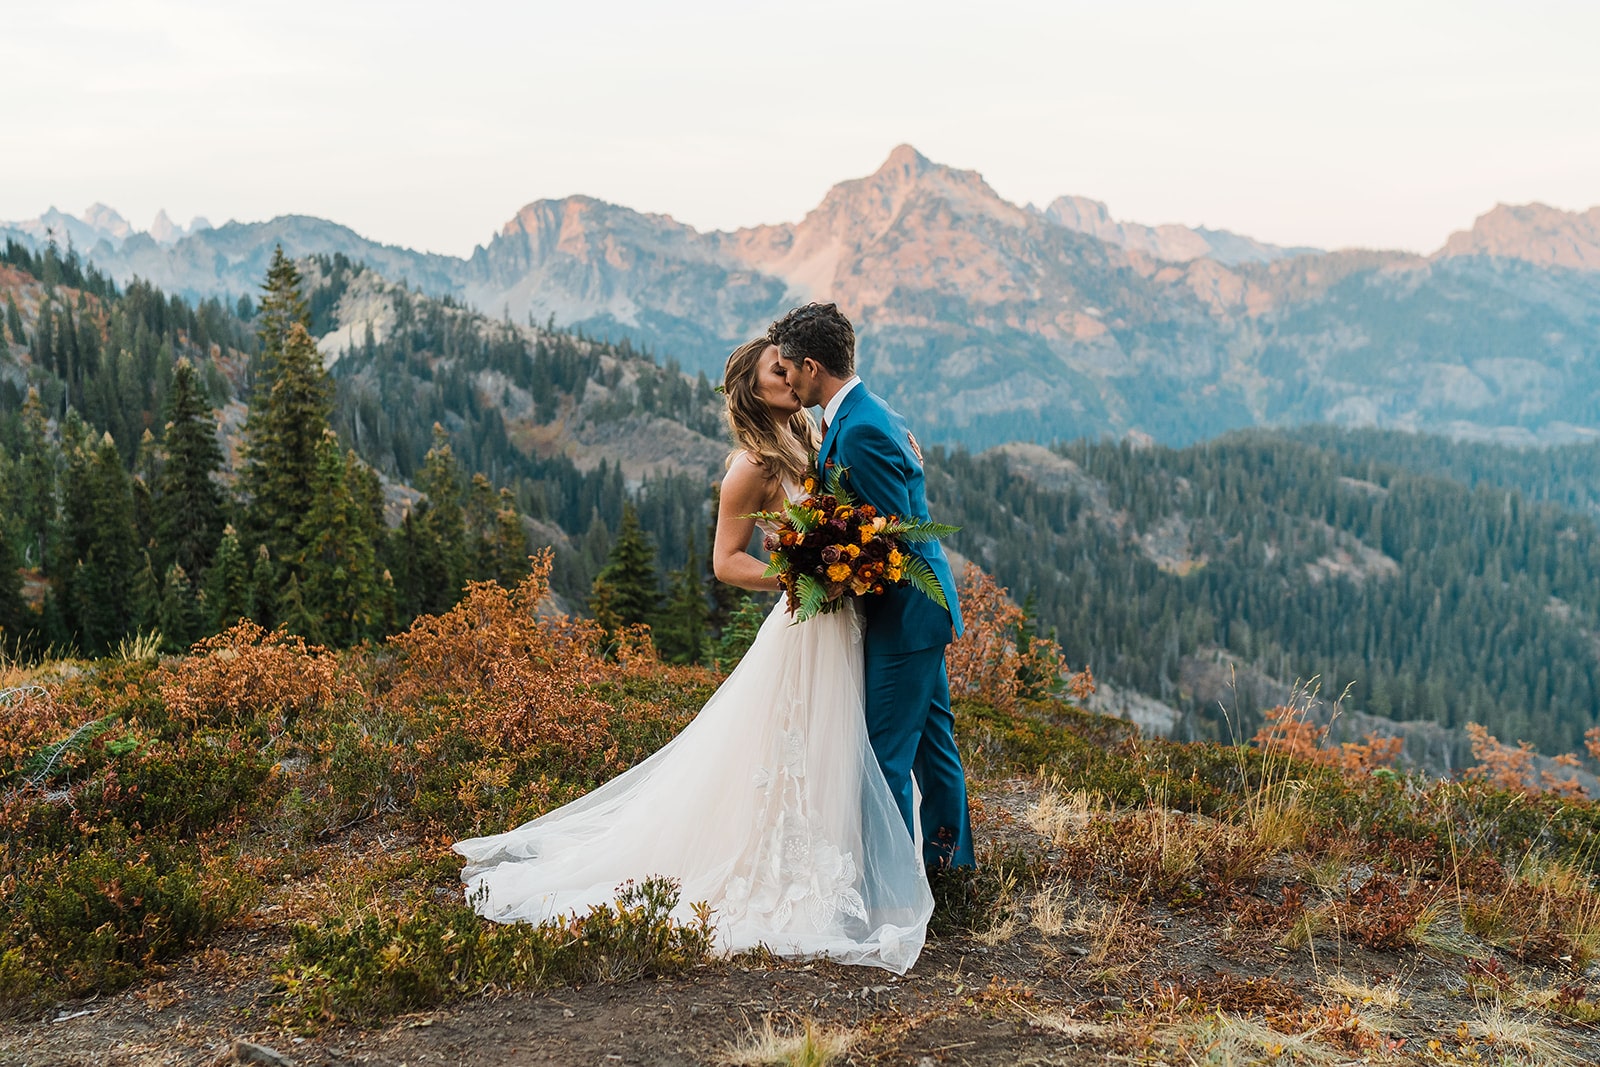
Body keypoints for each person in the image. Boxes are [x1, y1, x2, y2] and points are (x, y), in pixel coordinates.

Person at [452, 337, 933, 973]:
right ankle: (792, 874)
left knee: (836, 746)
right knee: (795, 748)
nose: (789, 375)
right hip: (806, 623)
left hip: (842, 624)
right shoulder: (753, 466)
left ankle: (846, 865)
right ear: (754, 391)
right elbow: (725, 562)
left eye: (790, 366)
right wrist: (799, 572)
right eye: (775, 370)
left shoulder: (816, 438)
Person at [767, 302, 972, 872]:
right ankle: (947, 869)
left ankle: (890, 889)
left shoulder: (859, 430)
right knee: (934, 745)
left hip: (905, 616)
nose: (784, 380)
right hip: (920, 613)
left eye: (786, 369)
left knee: (884, 756)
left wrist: (829, 580)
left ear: (811, 366)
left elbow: (891, 540)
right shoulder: (867, 412)